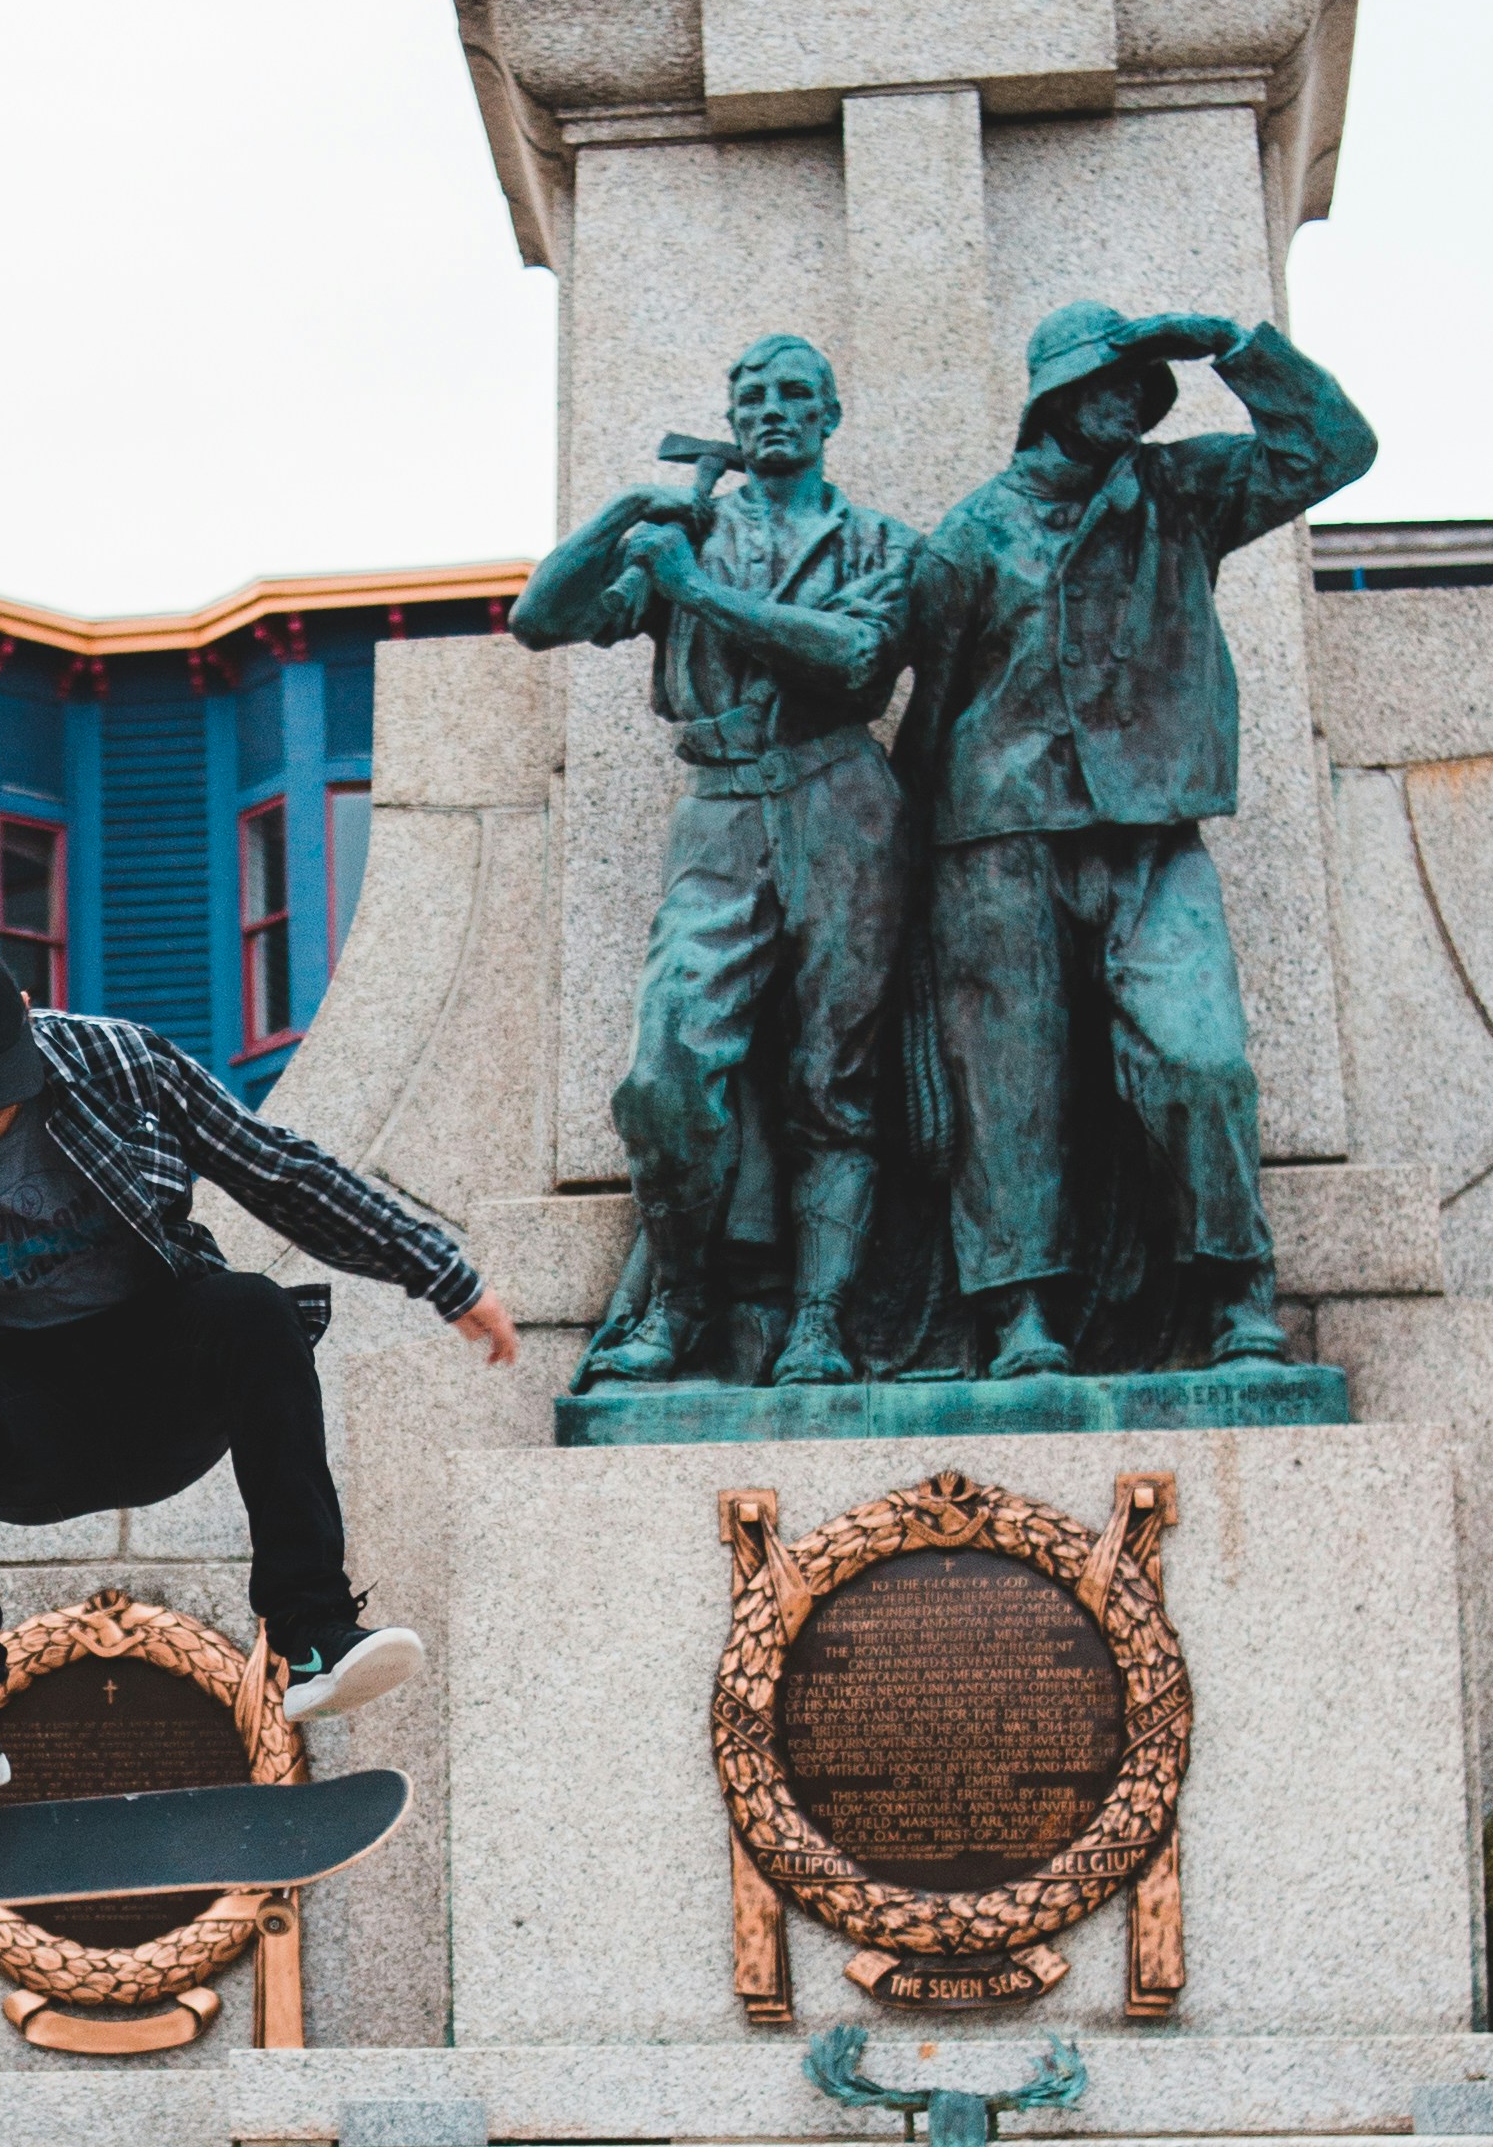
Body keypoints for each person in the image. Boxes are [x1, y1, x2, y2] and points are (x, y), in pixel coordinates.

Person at [0, 934, 522, 1801]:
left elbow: (277, 1171)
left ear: (27, 1012)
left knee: (252, 1309)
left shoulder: (121, 1062)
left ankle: (314, 1629)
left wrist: (434, 1270)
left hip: (156, 1388)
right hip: (14, 1429)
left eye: (3, 1085)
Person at [895, 304, 1378, 1377]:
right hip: (995, 838)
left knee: (1200, 1060)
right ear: (1057, 399)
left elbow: (1334, 450)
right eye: (1109, 381)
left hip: (1153, 834)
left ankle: (1236, 1289)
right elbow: (928, 697)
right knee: (1008, 1087)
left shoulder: (1183, 491)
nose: (1131, 396)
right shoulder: (972, 532)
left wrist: (1233, 346)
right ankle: (1021, 1311)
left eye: (1139, 383)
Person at [519, 334, 915, 1391]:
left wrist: (692, 590)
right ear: (732, 423)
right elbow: (537, 619)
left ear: (830, 415)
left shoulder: (878, 540)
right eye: (753, 398)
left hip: (842, 800)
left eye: (795, 395)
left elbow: (855, 660)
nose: (773, 411)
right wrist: (626, 519)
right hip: (720, 807)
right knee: (666, 1078)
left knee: (837, 1081)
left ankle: (821, 1319)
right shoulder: (684, 531)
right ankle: (682, 1300)